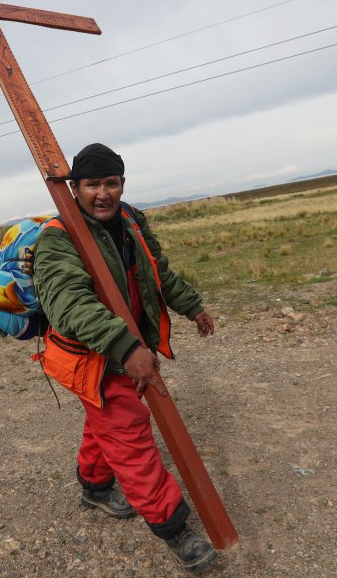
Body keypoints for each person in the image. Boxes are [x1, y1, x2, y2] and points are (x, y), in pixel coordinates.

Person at [34, 142, 218, 570]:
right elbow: (70, 305)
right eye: (92, 184)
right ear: (74, 189)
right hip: (95, 359)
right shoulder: (58, 239)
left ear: (122, 184)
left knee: (107, 423)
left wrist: (192, 306)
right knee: (129, 435)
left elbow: (159, 271)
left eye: (111, 183)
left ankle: (95, 488)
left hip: (129, 349)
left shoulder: (131, 219)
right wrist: (126, 347)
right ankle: (174, 529)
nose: (104, 193)